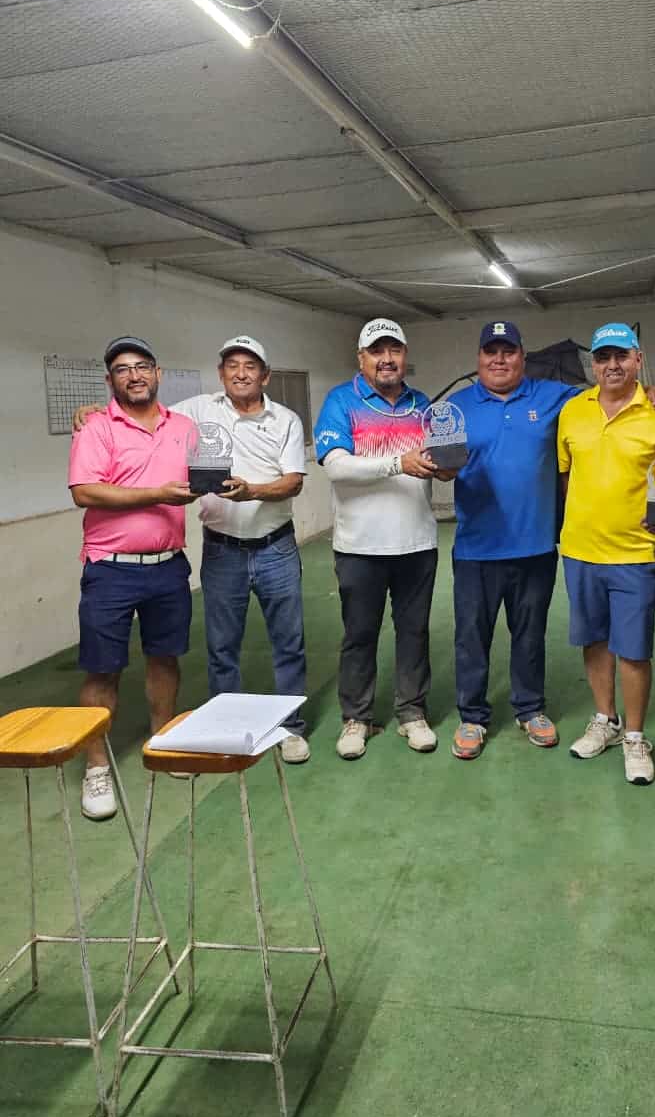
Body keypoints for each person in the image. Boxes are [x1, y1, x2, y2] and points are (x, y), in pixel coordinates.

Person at [75, 335, 311, 764]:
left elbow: (293, 480)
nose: (241, 373)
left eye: (250, 366)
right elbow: (136, 409)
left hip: (274, 548)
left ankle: (290, 728)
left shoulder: (283, 420)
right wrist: (91, 410)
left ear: (265, 375)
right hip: (217, 552)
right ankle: (225, 729)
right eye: (232, 365)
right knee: (221, 649)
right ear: (221, 374)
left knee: (288, 643)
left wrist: (252, 490)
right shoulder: (194, 413)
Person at [69, 337, 198, 820]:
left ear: (158, 373)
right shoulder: (96, 428)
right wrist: (157, 494)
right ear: (110, 381)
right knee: (103, 668)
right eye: (123, 369)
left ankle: (162, 739)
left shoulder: (184, 426)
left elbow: (210, 464)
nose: (135, 375)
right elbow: (85, 491)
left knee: (165, 658)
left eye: (142, 366)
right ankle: (97, 765)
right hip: (110, 569)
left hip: (168, 565)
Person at [446, 321, 580, 760]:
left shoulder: (551, 396)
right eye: (491, 352)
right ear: (479, 358)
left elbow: (605, 400)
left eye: (508, 351)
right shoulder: (457, 407)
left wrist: (650, 394)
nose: (499, 360)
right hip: (475, 548)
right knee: (471, 636)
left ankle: (530, 707)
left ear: (523, 356)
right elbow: (437, 460)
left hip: (536, 545)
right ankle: (472, 715)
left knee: (530, 633)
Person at [558, 323, 655, 785]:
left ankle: (634, 736)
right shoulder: (573, 412)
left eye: (622, 357)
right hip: (580, 549)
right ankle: (604, 721)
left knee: (632, 649)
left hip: (633, 553)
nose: (612, 365)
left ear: (638, 359)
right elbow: (568, 477)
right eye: (604, 357)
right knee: (593, 639)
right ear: (594, 364)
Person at [314, 318, 439, 760]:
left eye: (395, 350)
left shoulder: (421, 404)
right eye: (376, 351)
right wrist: (395, 464)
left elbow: (437, 458)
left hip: (418, 542)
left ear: (405, 357)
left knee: (414, 632)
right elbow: (336, 465)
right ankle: (357, 717)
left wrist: (446, 464)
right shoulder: (341, 401)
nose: (387, 359)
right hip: (359, 546)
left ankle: (412, 712)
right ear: (361, 359)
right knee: (360, 634)